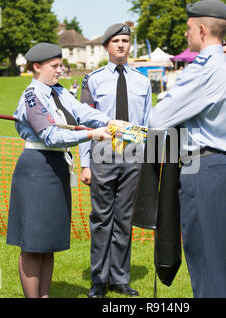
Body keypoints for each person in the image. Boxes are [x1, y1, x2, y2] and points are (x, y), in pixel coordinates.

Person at [6, 43, 123, 298]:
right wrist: (91, 135)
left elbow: (82, 112)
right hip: (37, 167)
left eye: (61, 65)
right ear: (37, 67)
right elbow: (49, 135)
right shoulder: (33, 96)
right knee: (33, 243)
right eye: (54, 66)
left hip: (57, 166)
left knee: (47, 242)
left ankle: (45, 296)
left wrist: (108, 121)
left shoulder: (58, 92)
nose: (60, 70)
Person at [148, 0, 226, 298]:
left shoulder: (202, 70)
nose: (186, 33)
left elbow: (158, 118)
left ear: (202, 29)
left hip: (203, 169)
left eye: (189, 27)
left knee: (205, 260)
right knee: (225, 259)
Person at [79, 23, 152, 298]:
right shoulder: (93, 80)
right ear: (106, 46)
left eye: (125, 40)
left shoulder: (142, 81)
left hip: (133, 157)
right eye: (116, 41)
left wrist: (152, 162)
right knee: (101, 219)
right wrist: (85, 163)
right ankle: (99, 279)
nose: (121, 45)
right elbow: (84, 122)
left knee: (123, 220)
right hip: (102, 154)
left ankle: (119, 278)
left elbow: (147, 122)